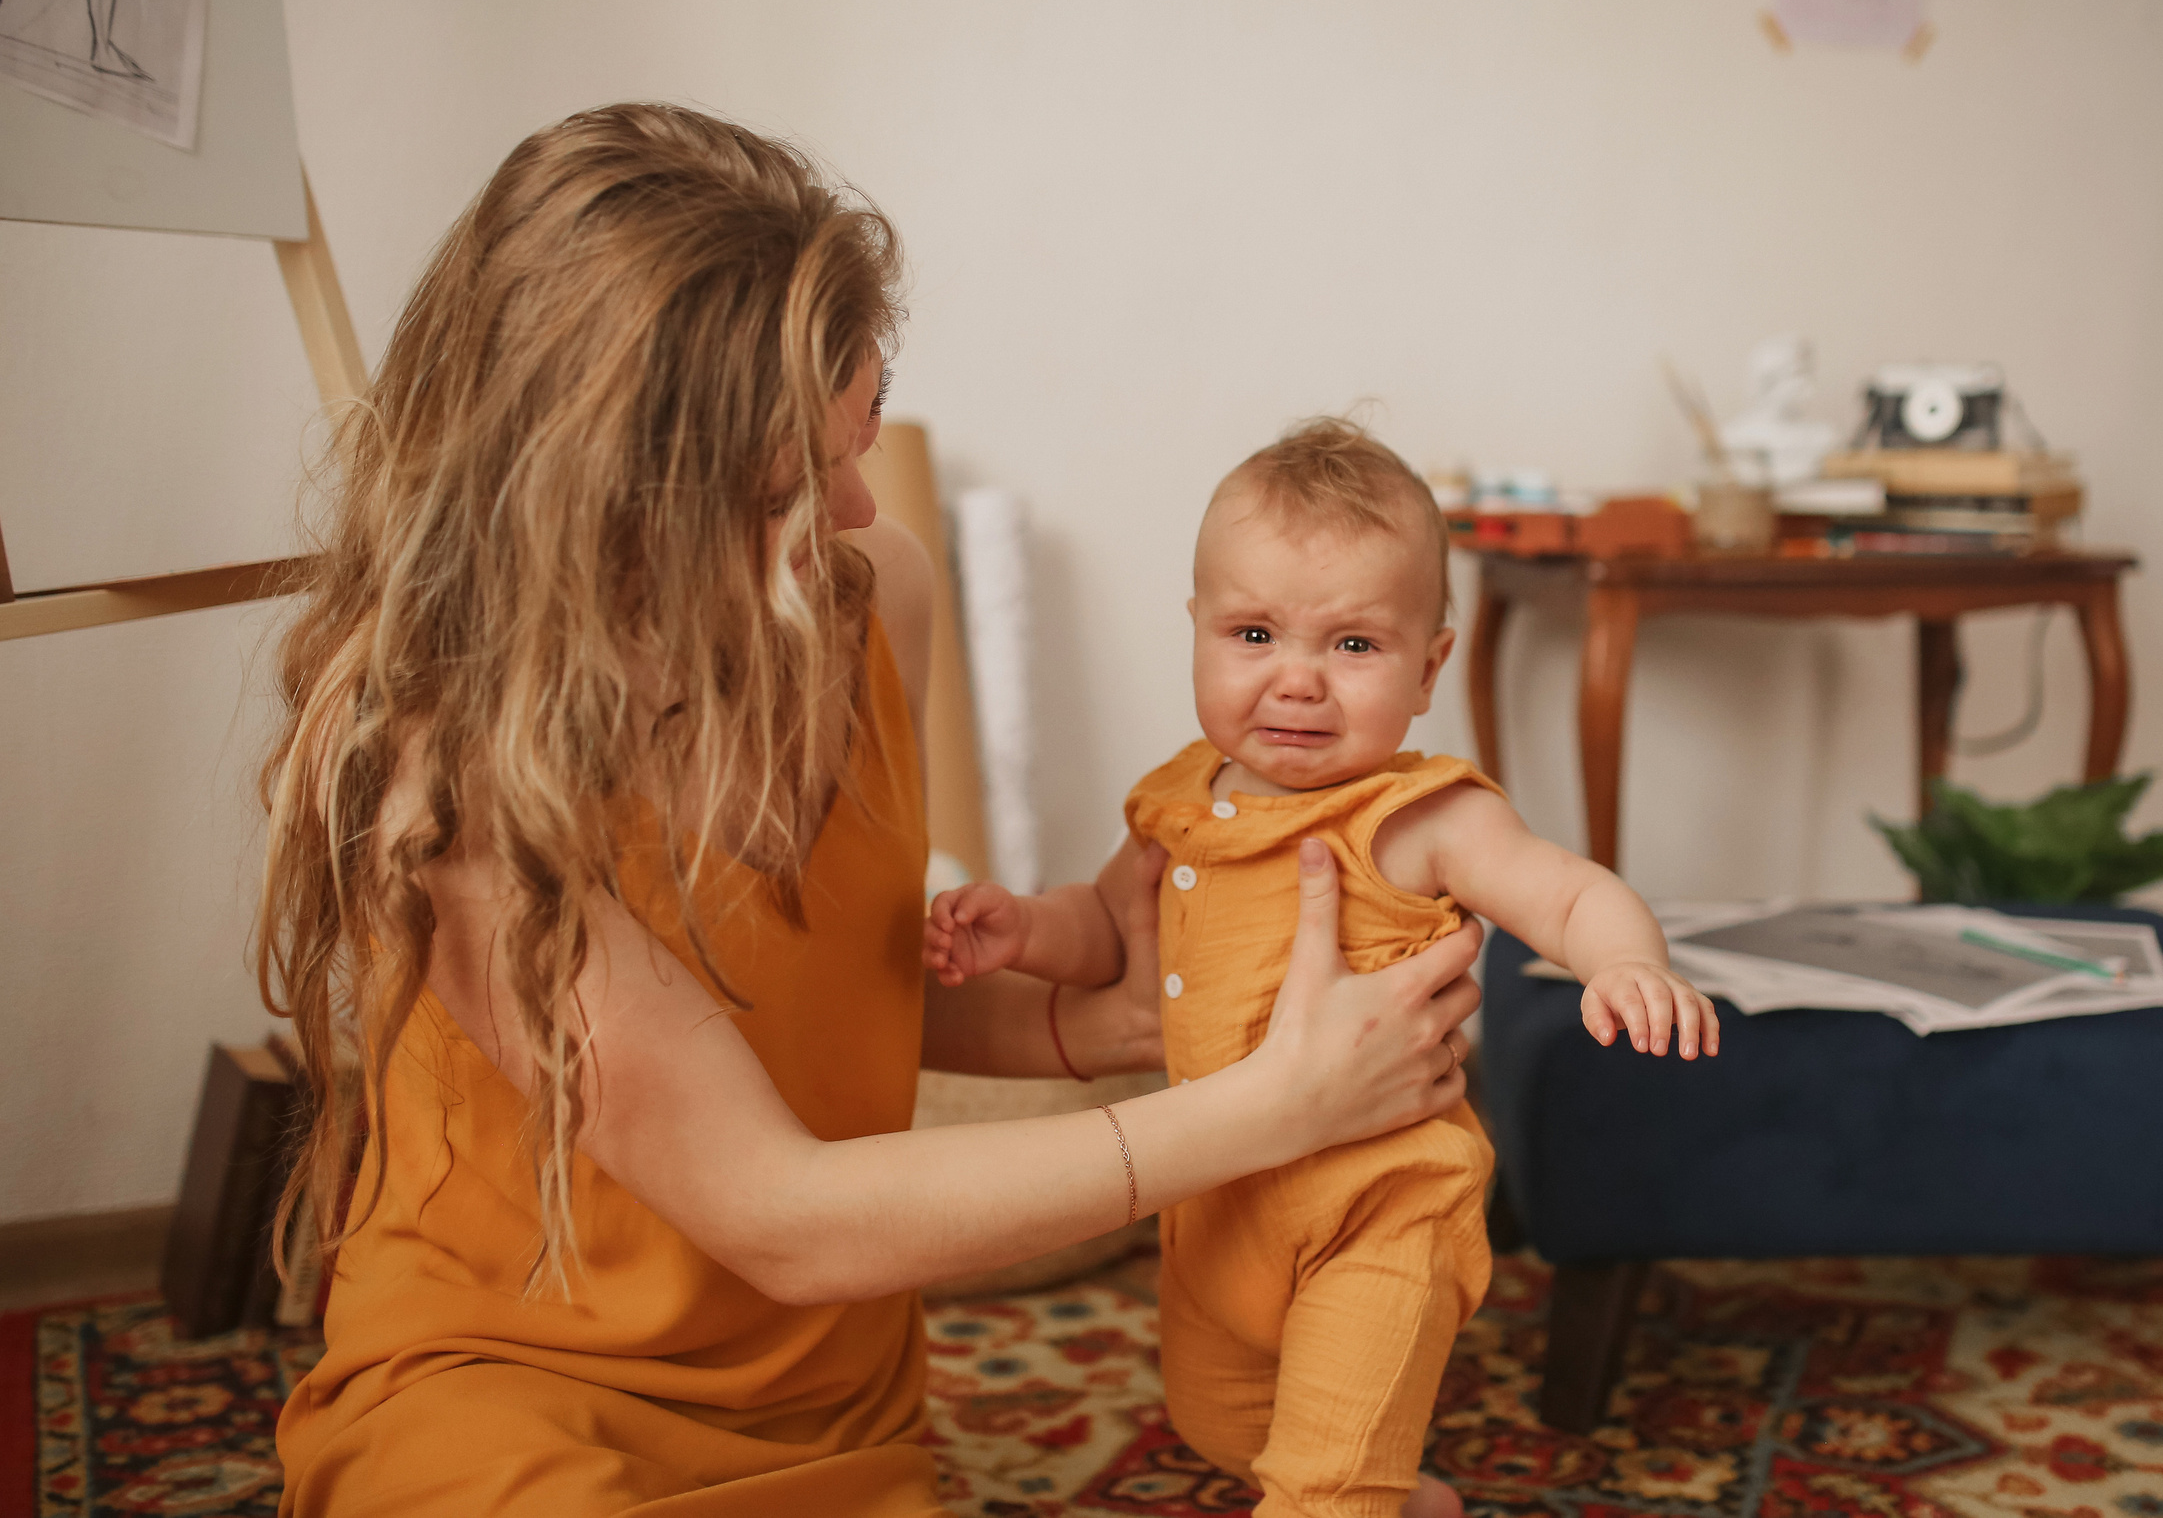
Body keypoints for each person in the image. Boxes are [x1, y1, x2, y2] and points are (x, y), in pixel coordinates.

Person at [256, 106, 1484, 1517]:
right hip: (510, 1395)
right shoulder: (444, 778)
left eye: (865, 424)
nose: (854, 502)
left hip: (833, 1404)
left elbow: (817, 989)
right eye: (790, 481)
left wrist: (1109, 1021)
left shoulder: (875, 590)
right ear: (600, 507)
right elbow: (777, 1211)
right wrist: (1271, 1107)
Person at [924, 419, 1718, 1518]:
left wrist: (1625, 962)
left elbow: (1568, 891)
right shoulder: (1179, 800)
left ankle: (1358, 1494)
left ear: (1429, 665)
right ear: (1196, 631)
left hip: (1377, 1210)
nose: (1297, 683)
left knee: (1325, 1478)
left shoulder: (1418, 815)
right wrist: (1023, 931)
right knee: (1221, 1421)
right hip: (1218, 1197)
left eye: (1352, 647)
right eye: (1254, 634)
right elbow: (1109, 928)